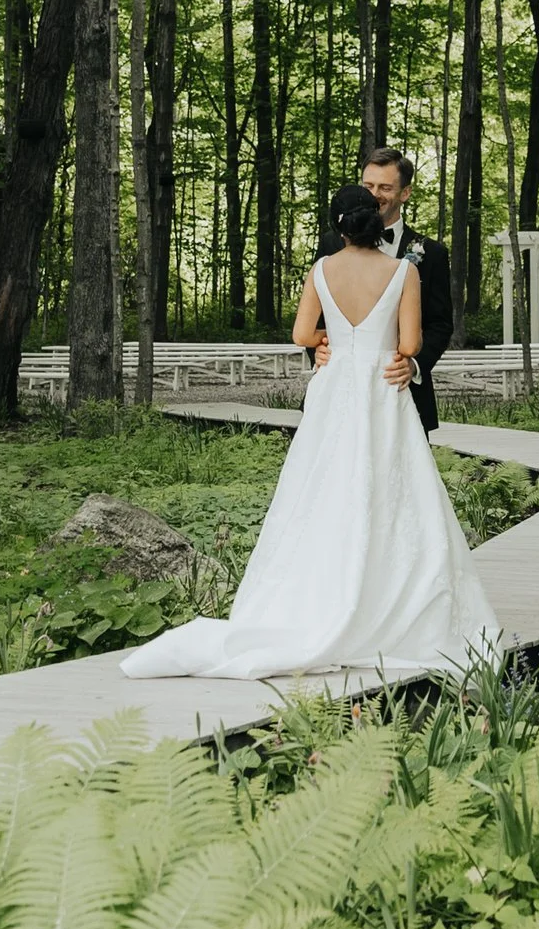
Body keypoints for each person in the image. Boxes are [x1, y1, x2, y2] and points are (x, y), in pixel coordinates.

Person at [118, 182, 502, 686]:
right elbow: (410, 342)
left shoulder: (320, 270)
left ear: (338, 226)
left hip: (334, 388)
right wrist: (385, 348)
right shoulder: (403, 271)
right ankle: (389, 606)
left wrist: (328, 341)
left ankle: (321, 597)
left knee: (321, 488)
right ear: (374, 220)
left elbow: (301, 335)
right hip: (383, 391)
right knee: (393, 490)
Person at [352, 144, 452, 433]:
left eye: (385, 187)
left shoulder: (431, 253)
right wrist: (318, 350)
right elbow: (318, 319)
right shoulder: (332, 246)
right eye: (368, 185)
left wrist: (414, 366)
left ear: (404, 193)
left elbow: (440, 324)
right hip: (345, 389)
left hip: (403, 390)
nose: (374, 195)